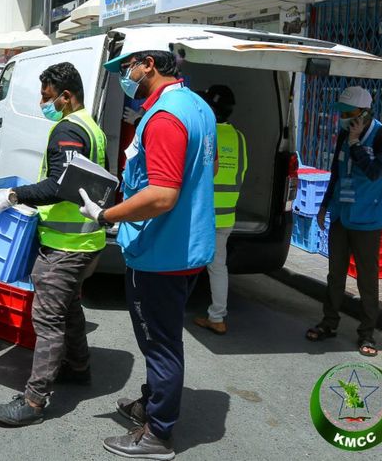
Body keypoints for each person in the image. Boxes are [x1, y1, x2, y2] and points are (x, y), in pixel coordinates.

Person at [79, 50, 216, 459]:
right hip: (184, 246)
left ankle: (157, 433)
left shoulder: (165, 117)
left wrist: (106, 214)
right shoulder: (195, 105)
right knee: (162, 338)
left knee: (160, 344)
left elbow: (162, 195)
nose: (125, 77)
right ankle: (151, 403)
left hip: (161, 253)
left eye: (126, 68)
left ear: (148, 65)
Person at [0, 62, 107, 426]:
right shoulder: (91, 126)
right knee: (69, 308)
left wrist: (13, 193)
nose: (43, 102)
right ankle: (78, 366)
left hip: (66, 245)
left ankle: (34, 401)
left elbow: (59, 185)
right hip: (87, 242)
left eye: (47, 95)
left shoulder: (68, 129)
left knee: (48, 320)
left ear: (66, 96)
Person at [307, 86, 382, 357]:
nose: (344, 117)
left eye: (349, 112)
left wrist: (357, 143)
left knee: (367, 280)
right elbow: (336, 170)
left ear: (364, 112)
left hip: (368, 220)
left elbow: (374, 173)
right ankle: (329, 322)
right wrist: (323, 206)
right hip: (341, 215)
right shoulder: (344, 133)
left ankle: (367, 334)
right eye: (342, 112)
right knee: (335, 274)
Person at [194, 85, 246, 335]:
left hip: (202, 213)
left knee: (185, 260)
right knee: (218, 267)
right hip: (227, 216)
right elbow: (241, 173)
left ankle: (168, 308)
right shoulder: (239, 137)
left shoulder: (206, 133)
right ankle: (217, 316)